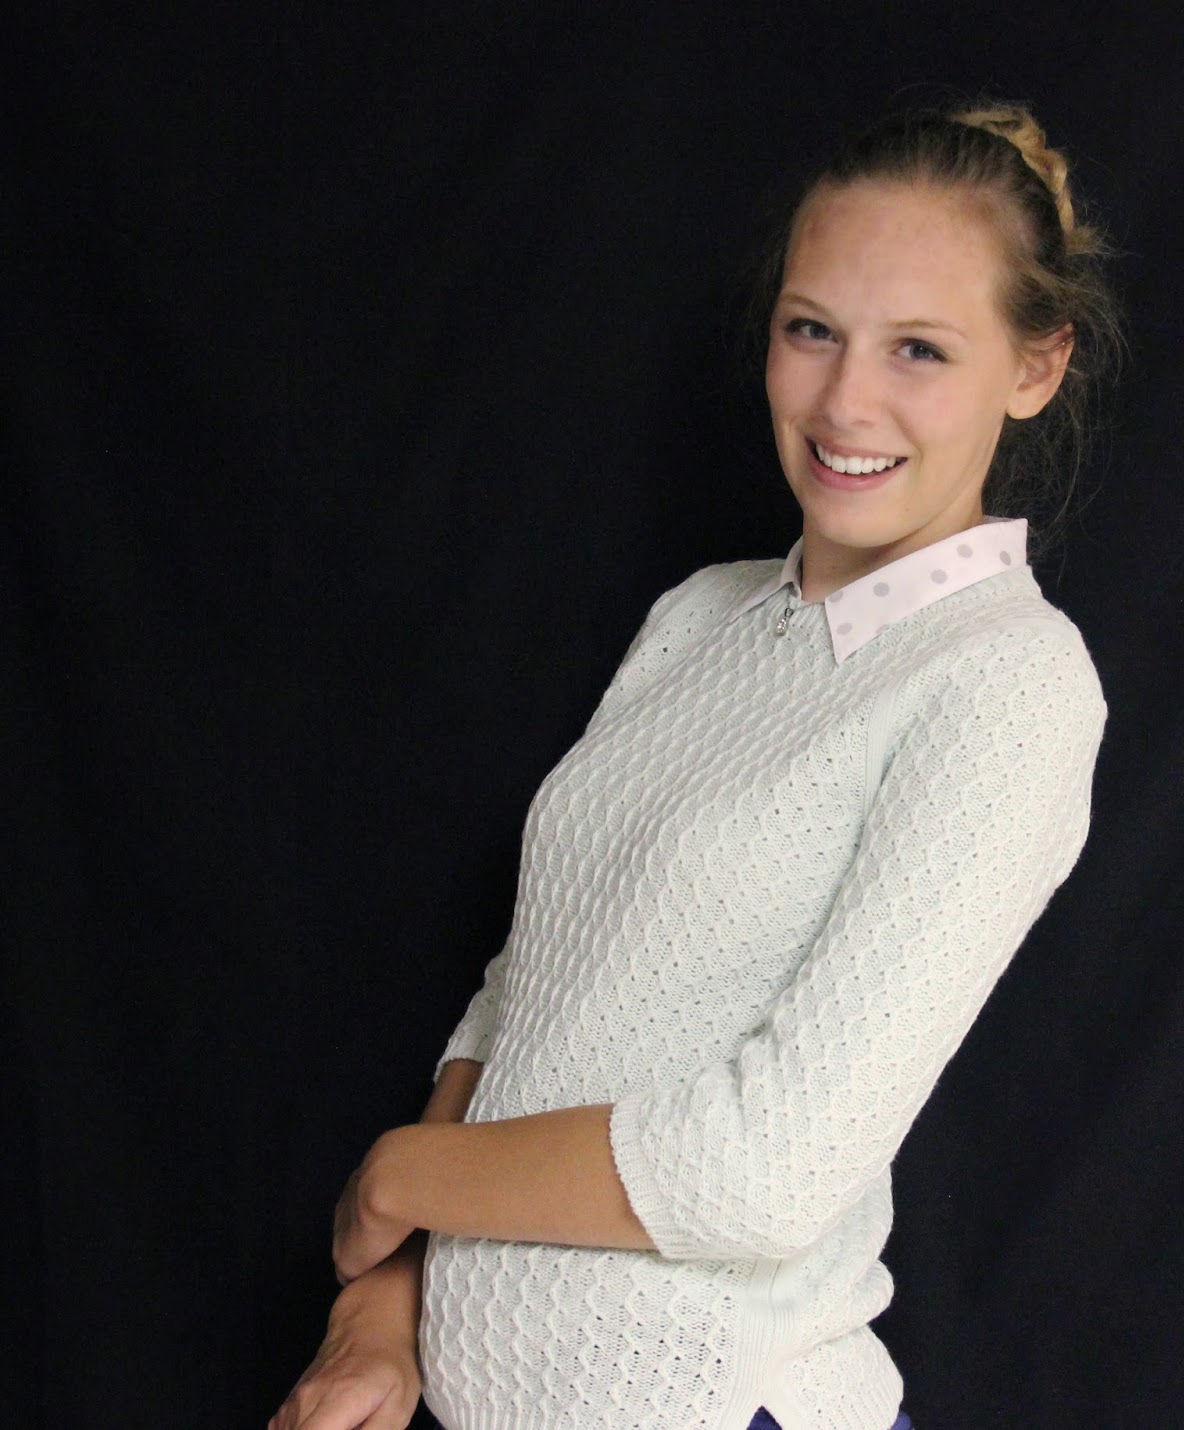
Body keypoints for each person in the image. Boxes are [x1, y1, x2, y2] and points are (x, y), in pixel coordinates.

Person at [272, 98, 1120, 1430]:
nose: (845, 401)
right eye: (812, 330)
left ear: (1035, 365)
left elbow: (771, 1165)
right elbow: (533, 995)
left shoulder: (1008, 680)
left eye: (918, 349)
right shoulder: (700, 617)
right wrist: (388, 1300)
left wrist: (400, 1176)